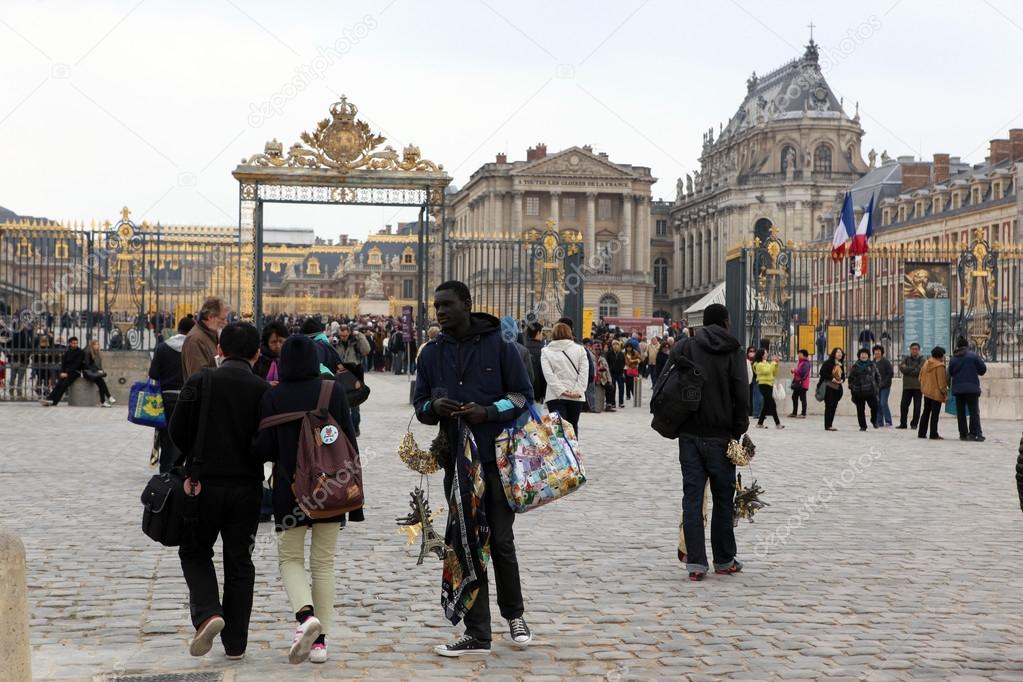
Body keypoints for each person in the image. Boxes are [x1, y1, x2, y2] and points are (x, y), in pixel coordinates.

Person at [413, 281, 534, 657]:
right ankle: (477, 633)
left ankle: (514, 615)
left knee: (500, 541)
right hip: (458, 467)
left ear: (467, 304)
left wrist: (488, 411)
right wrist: (435, 408)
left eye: (447, 305)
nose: (440, 312)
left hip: (496, 460)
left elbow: (522, 397)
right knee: (467, 546)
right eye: (436, 306)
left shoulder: (502, 347)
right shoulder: (430, 354)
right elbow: (419, 405)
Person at [255, 334, 362, 664]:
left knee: (290, 559)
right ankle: (321, 644)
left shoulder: (274, 397)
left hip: (290, 491)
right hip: (330, 490)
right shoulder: (333, 391)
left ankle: (305, 618)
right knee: (324, 564)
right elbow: (349, 442)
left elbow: (264, 449)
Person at [168, 322, 269, 660]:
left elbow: (177, 430)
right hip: (247, 486)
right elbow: (267, 442)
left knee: (195, 551)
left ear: (220, 350)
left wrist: (195, 458)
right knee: (240, 561)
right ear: (257, 354)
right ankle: (236, 643)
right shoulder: (262, 389)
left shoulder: (201, 380)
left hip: (203, 484)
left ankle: (209, 613)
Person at [675, 303, 749, 581]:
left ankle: (696, 563)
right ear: (726, 322)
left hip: (690, 434)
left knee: (692, 498)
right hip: (721, 435)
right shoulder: (733, 350)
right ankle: (723, 559)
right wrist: (739, 428)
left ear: (703, 323)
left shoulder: (686, 346)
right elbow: (741, 392)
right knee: (723, 498)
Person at [149, 316, 196, 472]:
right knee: (186, 432)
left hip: (167, 396)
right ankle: (182, 467)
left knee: (167, 434)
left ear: (178, 328)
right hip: (188, 396)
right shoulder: (194, 347)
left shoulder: (163, 347)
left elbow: (154, 373)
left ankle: (165, 468)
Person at [540, 322, 588, 435]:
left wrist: (561, 391)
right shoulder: (580, 349)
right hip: (576, 396)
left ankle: (561, 453)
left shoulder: (546, 351)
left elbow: (549, 375)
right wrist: (577, 390)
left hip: (555, 395)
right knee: (572, 427)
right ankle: (573, 451)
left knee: (558, 431)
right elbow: (584, 372)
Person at [948, 337, 987, 442]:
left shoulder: (953, 358)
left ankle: (963, 434)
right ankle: (975, 433)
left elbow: (950, 372)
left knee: (960, 412)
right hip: (972, 388)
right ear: (967, 346)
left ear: (957, 346)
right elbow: (983, 369)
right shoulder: (973, 356)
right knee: (974, 411)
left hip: (958, 389)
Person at [182, 297, 228, 380]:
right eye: (223, 319)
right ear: (210, 317)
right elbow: (198, 377)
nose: (225, 322)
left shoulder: (211, 334)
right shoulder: (195, 340)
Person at [39, 336, 85, 406]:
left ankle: (54, 401)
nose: (75, 344)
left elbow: (77, 364)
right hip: (65, 372)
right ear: (70, 343)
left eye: (76, 343)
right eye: (73, 343)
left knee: (64, 385)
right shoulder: (67, 352)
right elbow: (63, 364)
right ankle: (49, 399)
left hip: (75, 372)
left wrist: (67, 373)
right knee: (58, 384)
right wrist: (62, 372)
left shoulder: (80, 352)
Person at [918, 346, 948, 440]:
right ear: (940, 356)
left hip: (927, 392)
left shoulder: (926, 363)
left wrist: (924, 387)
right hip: (936, 394)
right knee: (935, 414)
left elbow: (920, 377)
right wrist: (945, 392)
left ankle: (921, 433)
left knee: (925, 412)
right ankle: (933, 433)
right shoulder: (940, 366)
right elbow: (942, 382)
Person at [848, 348, 881, 431]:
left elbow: (878, 376)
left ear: (868, 356)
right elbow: (850, 379)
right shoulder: (855, 366)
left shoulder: (872, 365)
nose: (863, 355)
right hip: (858, 391)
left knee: (875, 406)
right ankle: (863, 426)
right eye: (862, 354)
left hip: (870, 391)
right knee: (860, 410)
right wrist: (852, 387)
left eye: (865, 354)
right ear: (859, 356)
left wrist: (876, 386)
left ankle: (874, 420)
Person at [752, 349, 783, 429]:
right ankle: (778, 424)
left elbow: (773, 373)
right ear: (762, 355)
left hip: (769, 384)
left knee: (766, 405)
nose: (767, 354)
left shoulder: (766, 363)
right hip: (763, 385)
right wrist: (773, 363)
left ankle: (760, 423)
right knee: (772, 404)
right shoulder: (758, 364)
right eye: (765, 353)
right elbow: (768, 371)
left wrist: (776, 365)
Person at [897, 343, 924, 430]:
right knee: (903, 405)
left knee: (917, 406)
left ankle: (914, 424)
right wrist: (913, 368)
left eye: (916, 349)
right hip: (907, 387)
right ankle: (903, 423)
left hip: (918, 387)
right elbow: (902, 368)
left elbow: (920, 371)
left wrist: (908, 369)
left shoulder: (922, 359)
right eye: (912, 349)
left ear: (919, 350)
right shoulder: (906, 358)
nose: (914, 350)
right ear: (910, 350)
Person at [819, 348, 845, 431]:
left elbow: (843, 375)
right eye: (838, 352)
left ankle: (830, 424)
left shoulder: (840, 364)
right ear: (834, 353)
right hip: (829, 387)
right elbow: (822, 372)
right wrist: (831, 378)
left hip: (837, 387)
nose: (839, 354)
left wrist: (842, 380)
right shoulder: (828, 363)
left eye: (841, 352)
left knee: (834, 406)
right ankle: (827, 425)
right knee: (829, 405)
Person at [84, 339, 114, 407]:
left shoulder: (98, 354)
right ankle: (108, 397)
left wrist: (101, 371)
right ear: (92, 345)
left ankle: (104, 401)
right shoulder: (88, 353)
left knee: (100, 382)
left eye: (98, 344)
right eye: (95, 344)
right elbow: (88, 366)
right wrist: (97, 371)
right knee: (100, 381)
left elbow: (99, 366)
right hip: (88, 373)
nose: (97, 346)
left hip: (95, 374)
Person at [524, 322, 546, 403]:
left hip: (524, 393)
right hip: (539, 394)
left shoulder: (522, 349)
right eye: (541, 332)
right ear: (538, 333)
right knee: (538, 415)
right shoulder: (544, 351)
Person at [872, 345, 894, 427]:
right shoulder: (873, 362)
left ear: (882, 352)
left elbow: (890, 373)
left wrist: (884, 383)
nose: (877, 352)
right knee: (877, 404)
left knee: (883, 403)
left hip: (885, 386)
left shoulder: (885, 362)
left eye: (879, 351)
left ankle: (888, 421)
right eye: (875, 351)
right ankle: (879, 421)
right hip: (876, 387)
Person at [788, 349, 811, 418]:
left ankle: (803, 413)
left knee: (802, 398)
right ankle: (794, 412)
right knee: (794, 397)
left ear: (803, 355)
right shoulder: (801, 362)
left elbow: (802, 372)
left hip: (802, 383)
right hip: (798, 383)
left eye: (800, 354)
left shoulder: (806, 363)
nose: (798, 355)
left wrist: (794, 370)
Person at [605, 340, 626, 409]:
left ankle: (621, 402)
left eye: (617, 344)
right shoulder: (609, 353)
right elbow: (607, 362)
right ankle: (612, 402)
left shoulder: (621, 354)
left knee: (621, 388)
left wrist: (622, 371)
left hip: (620, 373)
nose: (615, 346)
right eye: (614, 344)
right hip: (612, 373)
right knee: (612, 388)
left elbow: (624, 362)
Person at [592, 340, 612, 412]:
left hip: (602, 379)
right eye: (596, 349)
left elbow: (607, 370)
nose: (597, 351)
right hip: (592, 379)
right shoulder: (591, 358)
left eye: (599, 349)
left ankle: (608, 404)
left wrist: (609, 380)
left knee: (610, 387)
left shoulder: (603, 359)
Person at [746, 347, 762, 418]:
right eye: (750, 351)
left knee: (757, 396)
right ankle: (752, 412)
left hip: (755, 378)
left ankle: (756, 412)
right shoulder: (745, 360)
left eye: (753, 351)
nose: (752, 353)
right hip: (747, 379)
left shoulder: (757, 361)